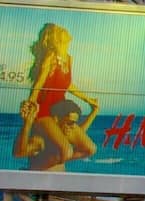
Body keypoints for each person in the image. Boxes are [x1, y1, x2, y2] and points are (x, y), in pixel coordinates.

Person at [17, 23, 99, 171]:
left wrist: (88, 100)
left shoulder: (68, 59)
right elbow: (39, 82)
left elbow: (67, 85)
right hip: (43, 111)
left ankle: (48, 161)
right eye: (62, 33)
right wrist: (31, 103)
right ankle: (36, 169)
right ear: (57, 39)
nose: (68, 35)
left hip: (59, 110)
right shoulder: (50, 58)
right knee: (66, 151)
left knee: (90, 148)